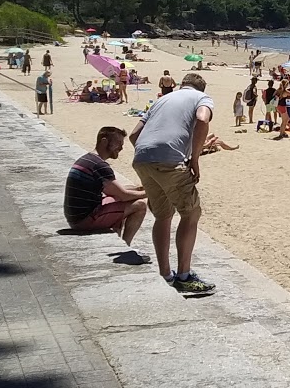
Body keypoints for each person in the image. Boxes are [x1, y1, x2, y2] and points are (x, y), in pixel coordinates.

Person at [129, 72, 216, 297]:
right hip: (171, 161)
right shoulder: (201, 99)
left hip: (142, 159)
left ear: (181, 85)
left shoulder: (161, 100)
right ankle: (184, 276)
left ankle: (165, 274)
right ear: (201, 88)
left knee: (163, 215)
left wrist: (150, 155)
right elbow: (203, 119)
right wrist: (194, 158)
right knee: (191, 213)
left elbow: (134, 134)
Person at [64, 126, 149, 246]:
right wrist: (150, 192)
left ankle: (118, 239)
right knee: (140, 205)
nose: (121, 147)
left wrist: (139, 189)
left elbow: (117, 191)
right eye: (118, 143)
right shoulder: (100, 165)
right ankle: (126, 245)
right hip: (85, 220)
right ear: (104, 141)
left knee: (122, 196)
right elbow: (124, 196)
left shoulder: (89, 160)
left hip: (76, 217)